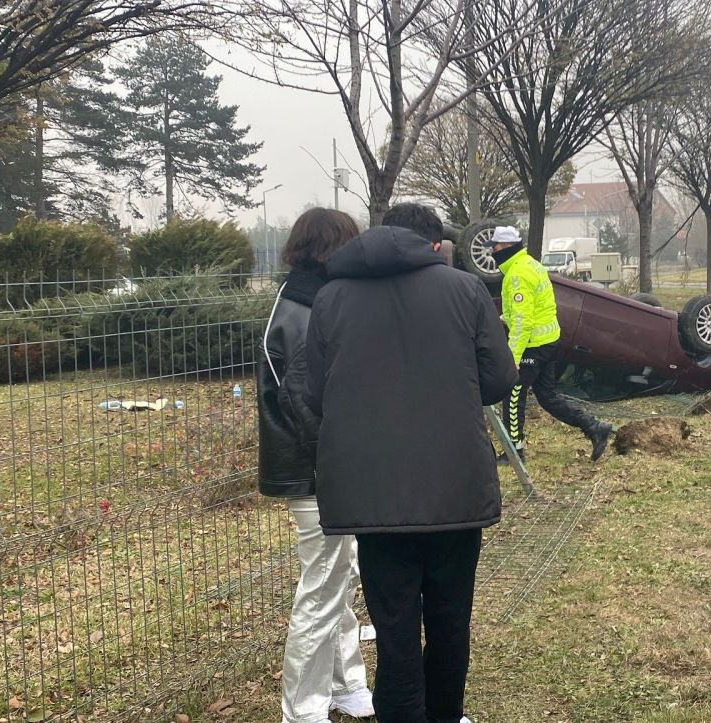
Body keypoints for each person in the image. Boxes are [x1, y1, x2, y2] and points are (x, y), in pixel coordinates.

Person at [305, 203, 518, 723]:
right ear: (433, 244)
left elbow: (315, 392)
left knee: (394, 626)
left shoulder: (331, 297)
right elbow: (499, 379)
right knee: (450, 621)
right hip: (454, 487)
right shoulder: (465, 290)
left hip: (372, 495)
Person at [256, 208, 375, 723]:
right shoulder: (306, 309)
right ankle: (302, 710)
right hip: (316, 471)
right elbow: (306, 404)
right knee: (321, 589)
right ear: (333, 249)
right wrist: (345, 457)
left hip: (322, 466)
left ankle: (347, 683)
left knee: (338, 578)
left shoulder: (307, 297)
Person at [488, 226, 615, 462]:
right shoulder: (531, 264)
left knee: (513, 395)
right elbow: (534, 307)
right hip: (550, 341)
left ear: (505, 247)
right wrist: (502, 318)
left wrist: (513, 358)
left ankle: (514, 452)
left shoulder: (517, 274)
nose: (492, 252)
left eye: (494, 247)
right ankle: (594, 427)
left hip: (532, 346)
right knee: (547, 396)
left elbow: (523, 321)